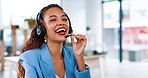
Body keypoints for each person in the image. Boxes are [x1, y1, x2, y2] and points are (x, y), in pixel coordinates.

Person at [17, 4, 91, 78]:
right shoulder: (30, 58)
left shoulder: (73, 53)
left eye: (64, 19)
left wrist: (79, 56)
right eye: (52, 20)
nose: (61, 23)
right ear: (42, 29)